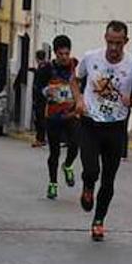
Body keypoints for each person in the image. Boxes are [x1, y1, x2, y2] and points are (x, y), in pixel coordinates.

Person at [71, 21, 132, 241]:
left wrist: (130, 100)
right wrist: (78, 100)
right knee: (91, 169)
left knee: (109, 179)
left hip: (115, 127)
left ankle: (99, 221)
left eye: (118, 43)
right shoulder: (91, 57)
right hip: (90, 123)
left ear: (126, 42)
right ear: (105, 39)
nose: (113, 48)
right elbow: (74, 80)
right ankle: (87, 186)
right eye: (110, 42)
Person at [38, 35, 79, 199]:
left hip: (71, 114)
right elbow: (38, 88)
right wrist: (46, 91)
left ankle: (68, 165)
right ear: (55, 53)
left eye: (67, 53)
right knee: (54, 152)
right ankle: (53, 183)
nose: (64, 57)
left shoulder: (75, 65)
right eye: (61, 54)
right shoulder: (47, 69)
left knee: (75, 144)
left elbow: (83, 81)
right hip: (53, 115)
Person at [31, 48, 50, 147]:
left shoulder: (44, 67)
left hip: (41, 96)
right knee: (39, 117)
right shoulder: (42, 67)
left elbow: (41, 82)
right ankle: (40, 138)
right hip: (39, 95)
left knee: (40, 118)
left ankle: (40, 138)